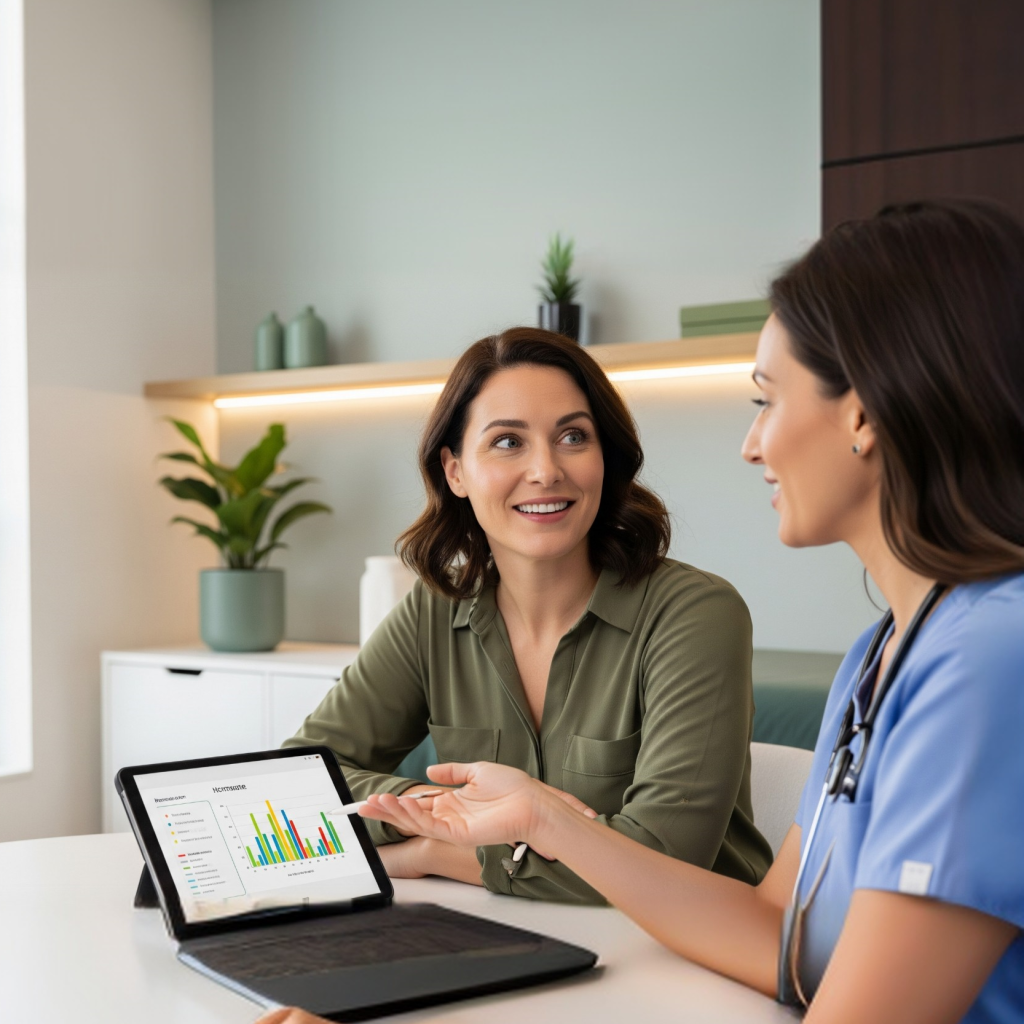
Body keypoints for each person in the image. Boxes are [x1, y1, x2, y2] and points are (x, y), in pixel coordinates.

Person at [358, 201, 1024, 1023]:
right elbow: (779, 932)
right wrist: (544, 821)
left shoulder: (991, 662)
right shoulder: (885, 653)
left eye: (765, 400)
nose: (752, 445)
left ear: (864, 413)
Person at [283, 326, 772, 903]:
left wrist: (438, 849)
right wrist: (450, 810)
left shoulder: (695, 615)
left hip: (695, 961)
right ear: (455, 471)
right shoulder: (433, 612)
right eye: (508, 442)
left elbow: (661, 860)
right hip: (510, 938)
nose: (545, 470)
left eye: (572, 436)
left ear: (605, 461)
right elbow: (299, 779)